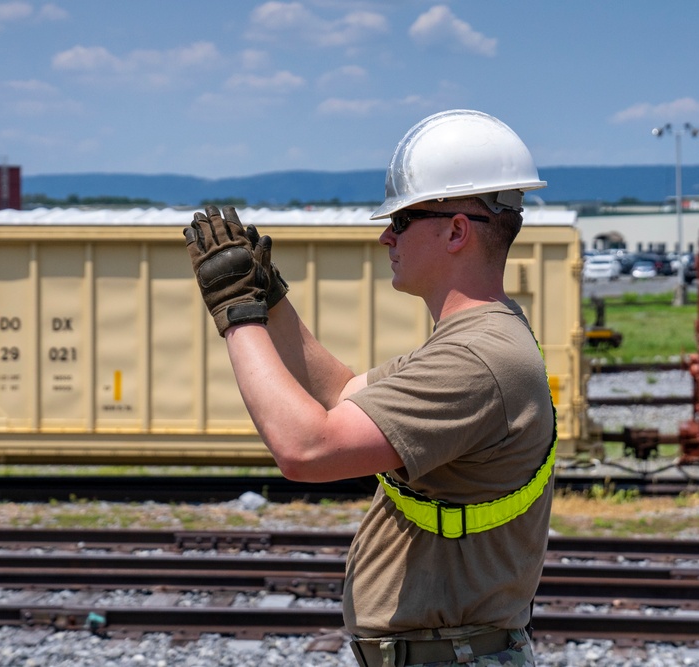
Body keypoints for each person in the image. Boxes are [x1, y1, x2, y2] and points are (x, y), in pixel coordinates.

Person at [184, 109, 556, 667]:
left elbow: (308, 449)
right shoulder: (477, 340)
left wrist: (237, 314)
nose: (386, 235)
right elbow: (343, 395)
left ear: (456, 230)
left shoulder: (477, 359)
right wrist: (271, 299)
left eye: (402, 219)